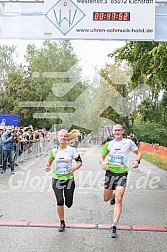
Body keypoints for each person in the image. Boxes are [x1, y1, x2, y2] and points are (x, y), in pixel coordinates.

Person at [99, 124, 142, 238]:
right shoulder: (109, 144)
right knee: (106, 198)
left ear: (123, 131)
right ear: (112, 132)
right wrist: (103, 163)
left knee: (119, 198)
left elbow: (139, 152)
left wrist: (137, 161)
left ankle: (114, 226)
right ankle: (112, 197)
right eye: (115, 130)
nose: (117, 132)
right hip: (110, 173)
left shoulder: (128, 143)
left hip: (122, 173)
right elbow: (101, 157)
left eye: (119, 130)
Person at [45, 129, 82, 232]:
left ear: (67, 138)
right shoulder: (54, 151)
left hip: (69, 179)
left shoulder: (71, 150)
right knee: (60, 200)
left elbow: (80, 162)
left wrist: (74, 168)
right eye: (61, 136)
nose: (62, 138)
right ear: (58, 137)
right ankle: (62, 222)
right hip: (57, 178)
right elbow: (48, 163)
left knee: (68, 203)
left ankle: (68, 202)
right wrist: (47, 166)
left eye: (64, 136)